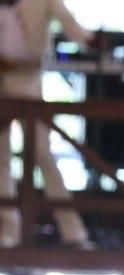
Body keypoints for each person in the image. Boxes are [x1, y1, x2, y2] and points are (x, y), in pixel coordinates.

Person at [0, 0, 96, 249]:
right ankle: (7, 232)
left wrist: (89, 40)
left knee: (42, 153)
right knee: (0, 159)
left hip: (27, 83)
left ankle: (73, 232)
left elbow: (70, 25)